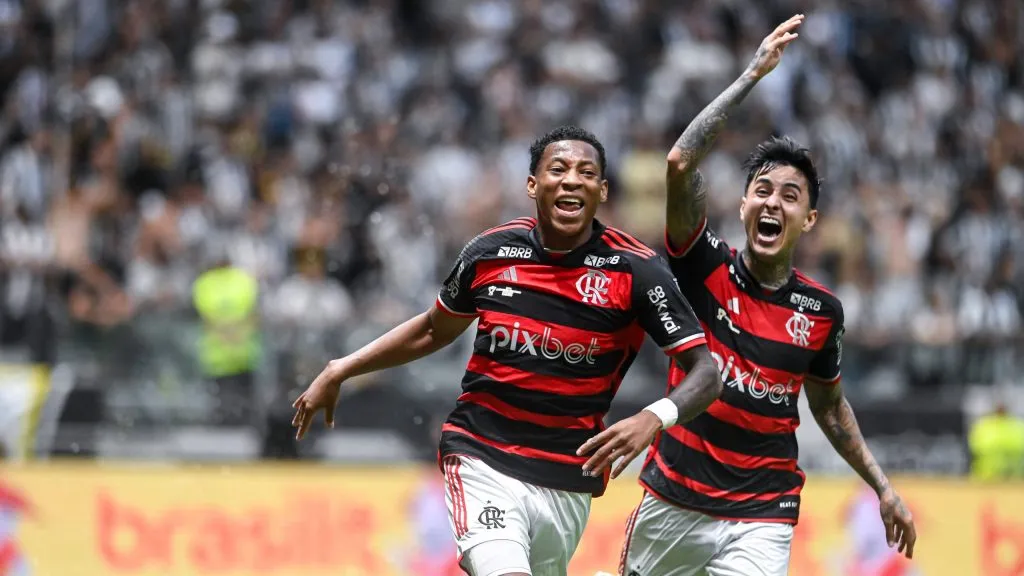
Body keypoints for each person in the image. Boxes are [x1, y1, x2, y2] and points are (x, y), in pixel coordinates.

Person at [291, 125, 723, 576]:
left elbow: (705, 372)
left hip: (567, 476)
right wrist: (343, 368)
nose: (572, 179)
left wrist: (654, 417)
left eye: (586, 172)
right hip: (482, 454)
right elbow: (432, 330)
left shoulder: (637, 270)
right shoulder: (491, 251)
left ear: (602, 190)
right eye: (558, 169)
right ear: (533, 185)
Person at [614, 15, 917, 576]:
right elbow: (679, 163)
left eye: (790, 196)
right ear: (743, 206)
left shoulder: (823, 313)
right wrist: (752, 74)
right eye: (762, 190)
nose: (773, 203)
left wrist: (883, 487)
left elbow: (829, 407)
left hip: (762, 511)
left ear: (809, 219)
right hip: (673, 501)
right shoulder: (702, 265)